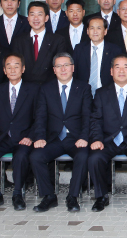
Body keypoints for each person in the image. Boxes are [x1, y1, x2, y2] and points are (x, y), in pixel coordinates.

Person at [88, 55, 127, 212]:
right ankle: (101, 196)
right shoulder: (101, 93)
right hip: (109, 140)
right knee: (95, 157)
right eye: (117, 67)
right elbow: (95, 120)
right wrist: (96, 139)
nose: (121, 70)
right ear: (111, 71)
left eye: (126, 67)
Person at [29, 52, 91, 213]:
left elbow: (88, 116)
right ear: (54, 70)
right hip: (53, 138)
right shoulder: (46, 89)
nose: (63, 69)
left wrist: (84, 137)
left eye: (66, 65)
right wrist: (40, 137)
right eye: (59, 66)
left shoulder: (84, 88)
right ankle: (49, 196)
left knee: (83, 155)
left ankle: (73, 196)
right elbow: (40, 116)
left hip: (75, 138)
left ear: (73, 68)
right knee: (36, 156)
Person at [0, 53, 37, 211]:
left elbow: (39, 118)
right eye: (8, 66)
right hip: (2, 138)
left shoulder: (33, 90)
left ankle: (18, 194)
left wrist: (31, 137)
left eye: (16, 66)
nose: (12, 69)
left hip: (23, 138)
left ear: (23, 69)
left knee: (21, 156)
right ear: (4, 70)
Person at [11, 1, 67, 84]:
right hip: (25, 89)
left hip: (49, 88)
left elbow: (60, 67)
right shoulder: (18, 41)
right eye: (32, 14)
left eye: (40, 14)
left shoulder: (58, 40)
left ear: (46, 18)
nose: (36, 18)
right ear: (28, 18)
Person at [73, 16, 122, 96]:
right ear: (87, 31)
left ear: (105, 31)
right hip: (82, 94)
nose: (95, 31)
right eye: (92, 28)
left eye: (99, 28)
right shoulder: (79, 49)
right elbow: (74, 73)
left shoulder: (115, 50)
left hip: (107, 94)